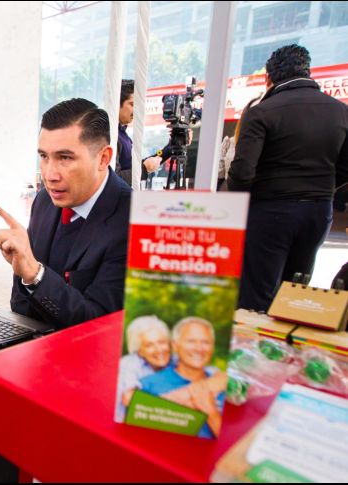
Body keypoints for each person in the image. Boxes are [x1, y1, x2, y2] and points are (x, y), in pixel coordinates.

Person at [0, 98, 131, 328]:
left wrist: (35, 275)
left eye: (65, 158)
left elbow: (97, 324)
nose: (50, 174)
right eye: (44, 157)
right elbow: (21, 306)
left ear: (103, 158)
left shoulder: (132, 221)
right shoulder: (45, 200)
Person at [228, 44, 348, 311]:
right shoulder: (340, 111)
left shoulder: (262, 112)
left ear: (269, 78)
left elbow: (242, 172)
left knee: (257, 295)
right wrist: (323, 187)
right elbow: (345, 167)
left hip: (270, 210)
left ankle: (254, 347)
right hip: (318, 212)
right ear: (308, 71)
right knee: (296, 289)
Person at [139, 317, 225, 438]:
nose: (199, 348)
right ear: (175, 345)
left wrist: (211, 412)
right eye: (191, 341)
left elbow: (233, 445)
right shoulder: (147, 385)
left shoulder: (224, 386)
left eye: (206, 342)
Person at [115, 315, 171, 422]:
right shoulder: (129, 364)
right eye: (149, 345)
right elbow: (129, 399)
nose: (159, 349)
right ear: (139, 351)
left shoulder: (173, 362)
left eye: (162, 342)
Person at [114, 79, 134, 185]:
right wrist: (144, 169)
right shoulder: (111, 134)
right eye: (132, 104)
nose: (136, 110)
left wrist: (167, 151)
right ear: (117, 103)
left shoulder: (123, 134)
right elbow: (113, 178)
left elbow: (130, 165)